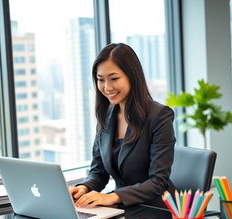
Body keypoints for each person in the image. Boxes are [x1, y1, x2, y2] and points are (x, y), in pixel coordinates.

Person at [69, 42, 176, 208]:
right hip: (122, 208)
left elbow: (158, 182)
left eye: (114, 79)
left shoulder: (159, 116)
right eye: (100, 80)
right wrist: (85, 187)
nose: (107, 87)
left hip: (156, 210)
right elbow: (99, 171)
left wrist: (113, 197)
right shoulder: (106, 116)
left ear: (132, 76)